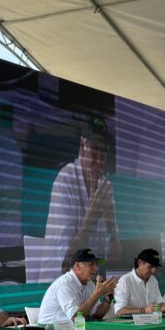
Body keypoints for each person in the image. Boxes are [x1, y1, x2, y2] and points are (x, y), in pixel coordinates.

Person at [45, 114, 120, 272]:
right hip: (61, 280)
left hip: (91, 277)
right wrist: (92, 216)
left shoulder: (105, 184)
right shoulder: (65, 180)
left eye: (103, 151)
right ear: (82, 146)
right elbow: (66, 262)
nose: (98, 160)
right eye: (94, 149)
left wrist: (112, 228)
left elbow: (114, 256)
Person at [38, 248, 119, 324]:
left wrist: (107, 300)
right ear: (78, 266)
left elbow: (96, 315)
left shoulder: (90, 284)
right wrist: (97, 294)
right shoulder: (65, 284)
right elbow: (76, 318)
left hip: (72, 329)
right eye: (91, 264)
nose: (95, 268)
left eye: (96, 264)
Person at [115, 248, 165, 315]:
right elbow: (119, 311)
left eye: (155, 267)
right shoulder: (125, 281)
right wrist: (143, 310)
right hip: (131, 324)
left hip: (151, 321)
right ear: (139, 263)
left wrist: (164, 306)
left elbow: (159, 303)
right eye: (150, 266)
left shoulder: (153, 279)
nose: (153, 271)